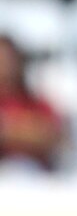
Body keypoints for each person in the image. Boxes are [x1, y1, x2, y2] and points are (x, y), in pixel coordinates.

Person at [0, 33, 65, 173]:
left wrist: (8, 131)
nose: (4, 66)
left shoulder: (36, 104)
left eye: (8, 59)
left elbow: (53, 137)